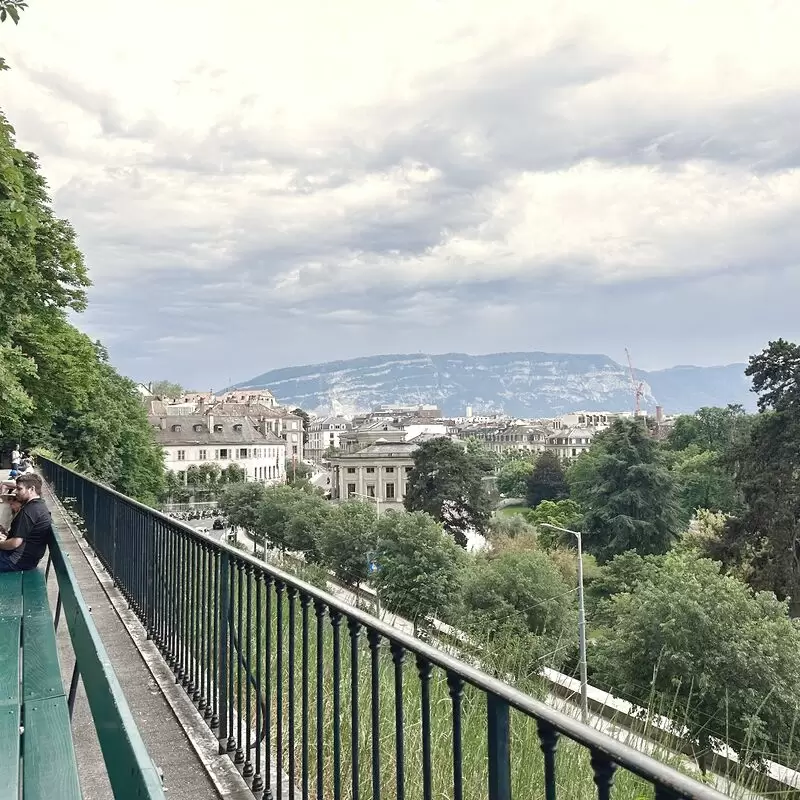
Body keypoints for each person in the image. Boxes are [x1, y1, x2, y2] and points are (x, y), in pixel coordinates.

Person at [0, 473, 53, 572]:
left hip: (15, 561)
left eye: (19, 489)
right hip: (26, 560)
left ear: (31, 489)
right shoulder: (39, 506)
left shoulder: (29, 511)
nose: (16, 492)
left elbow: (15, 543)